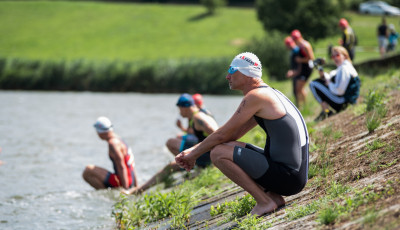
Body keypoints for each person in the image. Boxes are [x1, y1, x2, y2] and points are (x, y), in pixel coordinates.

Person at [176, 52, 309, 217]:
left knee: (218, 153)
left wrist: (193, 154)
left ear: (247, 74)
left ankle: (265, 202)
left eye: (232, 70)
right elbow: (230, 135)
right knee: (226, 146)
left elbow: (222, 134)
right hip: (292, 175)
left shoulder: (256, 96)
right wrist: (193, 151)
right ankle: (273, 197)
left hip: (289, 178)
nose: (227, 76)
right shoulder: (267, 94)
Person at [125, 94, 218, 194]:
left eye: (179, 109)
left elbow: (217, 134)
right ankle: (139, 190)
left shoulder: (199, 118)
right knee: (170, 166)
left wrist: (216, 159)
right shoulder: (196, 116)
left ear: (185, 107)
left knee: (170, 143)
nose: (179, 112)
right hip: (205, 154)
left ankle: (198, 168)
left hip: (209, 157)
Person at [82, 117, 138, 190]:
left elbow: (121, 166)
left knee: (87, 171)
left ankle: (107, 193)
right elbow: (131, 165)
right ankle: (110, 192)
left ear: (100, 132)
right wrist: (136, 186)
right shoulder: (119, 140)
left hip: (123, 181)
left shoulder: (113, 144)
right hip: (130, 179)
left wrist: (126, 190)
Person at [309, 46, 361, 121]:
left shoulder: (344, 69)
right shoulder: (344, 67)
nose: (335, 58)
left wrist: (329, 83)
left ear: (345, 56)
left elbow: (339, 91)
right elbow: (331, 76)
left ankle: (326, 111)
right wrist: (322, 74)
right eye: (333, 56)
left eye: (337, 55)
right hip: (346, 101)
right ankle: (326, 111)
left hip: (344, 102)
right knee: (319, 82)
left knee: (313, 84)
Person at [290, 29, 315, 107]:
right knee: (298, 89)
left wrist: (300, 60)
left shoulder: (305, 45)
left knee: (299, 88)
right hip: (304, 68)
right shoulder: (299, 46)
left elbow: (311, 58)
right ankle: (301, 105)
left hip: (307, 69)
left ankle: (304, 105)